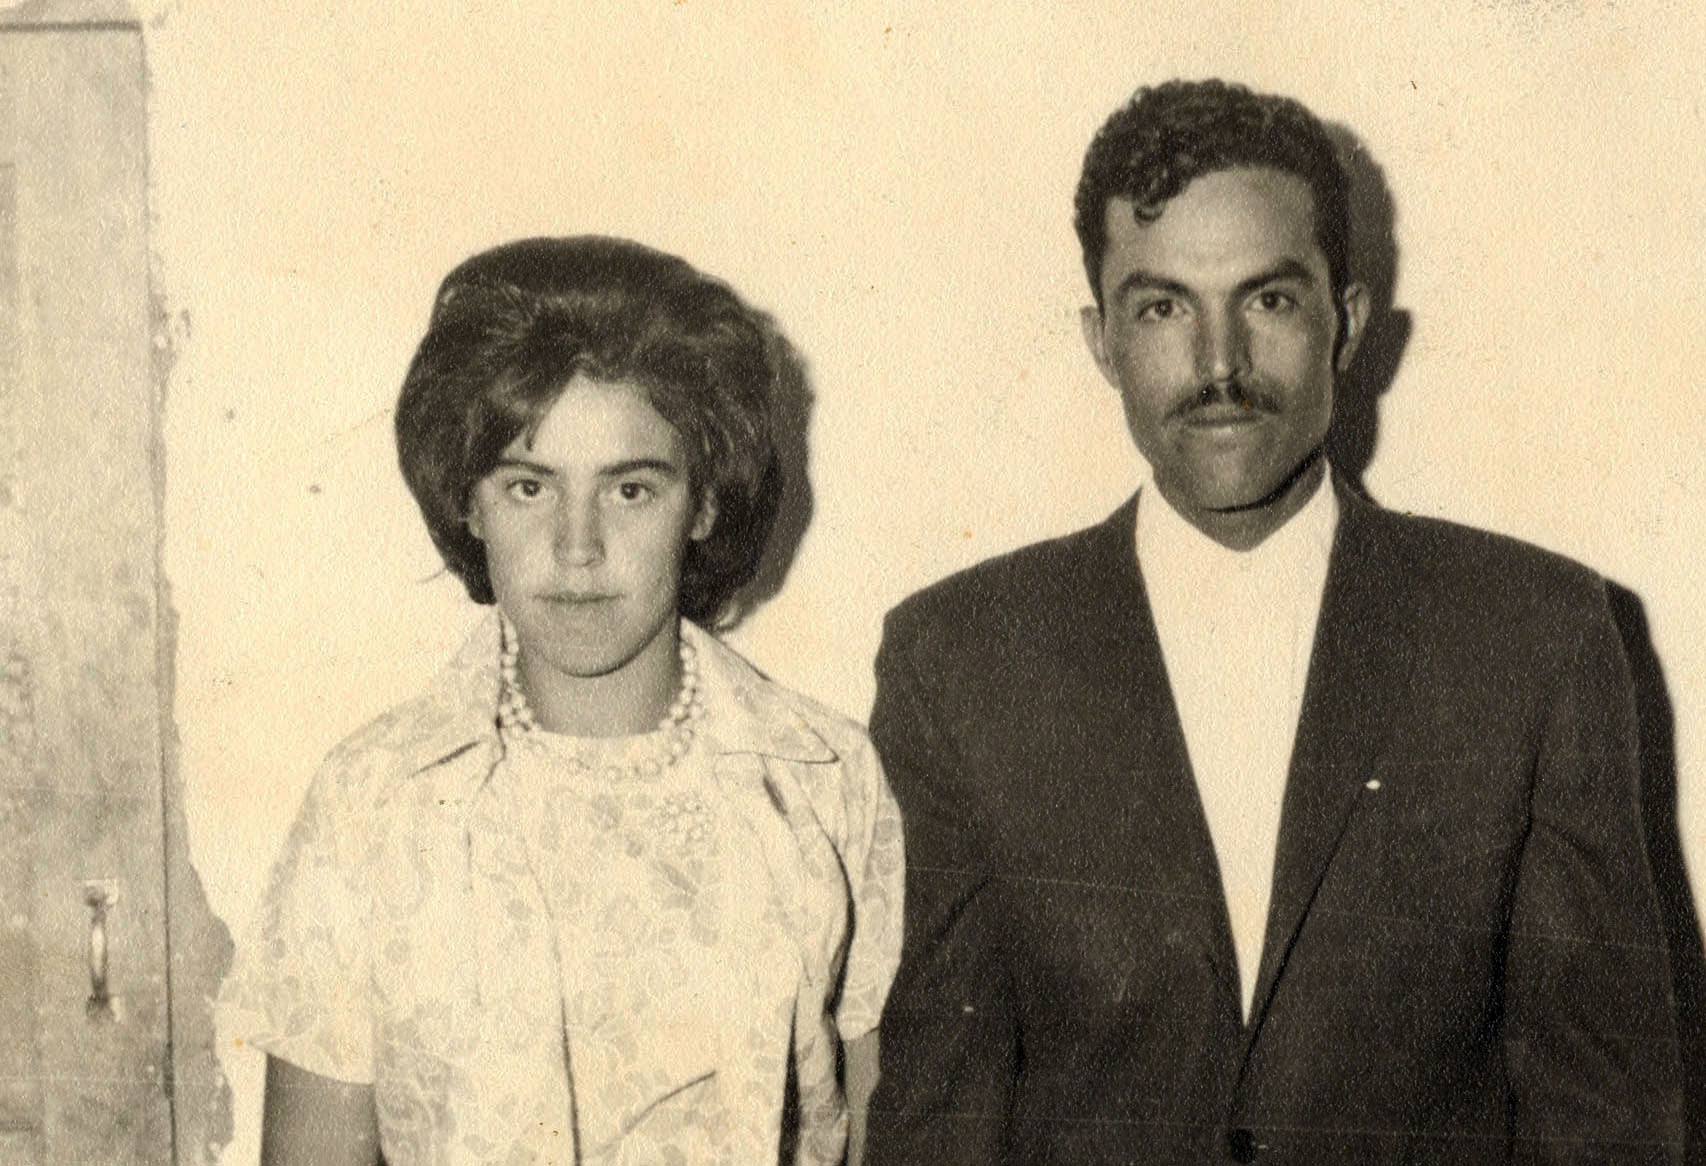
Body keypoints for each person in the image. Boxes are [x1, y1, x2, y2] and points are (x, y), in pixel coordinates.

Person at [864, 80, 1683, 1163]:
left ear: (1345, 322)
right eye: (1162, 308)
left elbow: (1609, 1121)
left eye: (1268, 300)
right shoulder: (959, 662)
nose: (1219, 366)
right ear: (1100, 341)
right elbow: (937, 1119)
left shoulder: (1534, 638)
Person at [222, 236, 903, 1165]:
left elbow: (879, 1126)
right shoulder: (370, 805)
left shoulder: (824, 781)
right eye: (528, 486)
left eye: (631, 489)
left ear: (704, 506)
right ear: (469, 504)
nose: (577, 547)